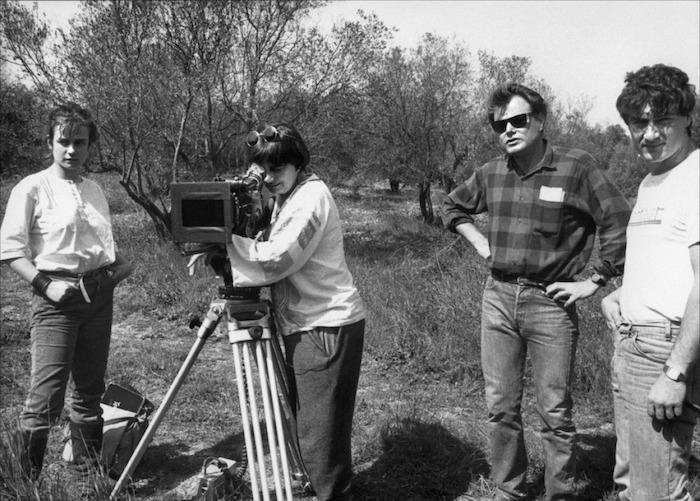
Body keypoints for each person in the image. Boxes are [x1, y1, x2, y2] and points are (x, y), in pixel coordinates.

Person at [442, 83, 631, 500]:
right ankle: (509, 489)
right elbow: (453, 206)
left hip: (551, 303)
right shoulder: (492, 172)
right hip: (498, 298)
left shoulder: (576, 167)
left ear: (540, 121)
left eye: (518, 120)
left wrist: (595, 280)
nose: (508, 130)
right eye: (499, 124)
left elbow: (618, 219)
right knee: (500, 405)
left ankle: (559, 493)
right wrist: (480, 242)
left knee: (554, 410)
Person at [190, 123, 365, 501]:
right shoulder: (287, 194)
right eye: (264, 171)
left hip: (326, 324)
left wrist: (224, 244)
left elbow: (277, 258)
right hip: (304, 323)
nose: (270, 178)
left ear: (298, 163)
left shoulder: (311, 197)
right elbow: (261, 231)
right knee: (305, 423)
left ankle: (331, 492)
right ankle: (316, 487)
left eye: (278, 169)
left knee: (320, 437)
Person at [0, 102, 133, 483]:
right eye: (64, 142)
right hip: (55, 300)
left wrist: (117, 270)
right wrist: (46, 286)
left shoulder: (93, 189)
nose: (72, 150)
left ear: (90, 145)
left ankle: (89, 477)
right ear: (50, 143)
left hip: (97, 297)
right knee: (46, 398)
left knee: (90, 391)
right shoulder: (32, 187)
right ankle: (24, 485)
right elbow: (9, 250)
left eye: (80, 142)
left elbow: (99, 243)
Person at [601, 64, 699, 501]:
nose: (650, 133)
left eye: (663, 120)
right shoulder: (653, 179)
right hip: (632, 344)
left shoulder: (696, 176)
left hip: (665, 350)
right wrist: (623, 294)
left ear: (688, 120)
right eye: (639, 122)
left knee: (656, 490)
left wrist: (675, 373)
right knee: (631, 480)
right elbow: (672, 261)